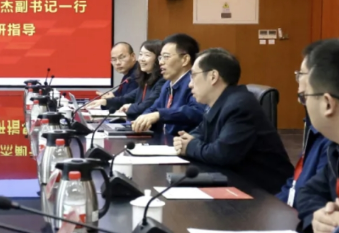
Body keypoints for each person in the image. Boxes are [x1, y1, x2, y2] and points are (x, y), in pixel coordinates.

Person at [173, 48, 293, 194]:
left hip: (265, 194)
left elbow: (222, 154)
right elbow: (200, 132)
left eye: (193, 76)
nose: (189, 84)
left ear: (213, 76)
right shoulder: (219, 102)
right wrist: (186, 141)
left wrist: (190, 146)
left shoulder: (239, 105)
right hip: (235, 181)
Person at [295, 39, 339, 233]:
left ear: (328, 104)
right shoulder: (334, 148)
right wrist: (319, 217)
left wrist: (334, 231)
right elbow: (308, 192)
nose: (303, 103)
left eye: (305, 97)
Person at [277, 41, 331, 207]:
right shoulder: (317, 130)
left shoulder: (330, 139)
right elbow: (300, 186)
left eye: (304, 97)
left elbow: (314, 202)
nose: (298, 80)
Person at [131, 33, 206, 134]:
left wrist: (159, 115)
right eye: (160, 57)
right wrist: (142, 119)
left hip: (183, 140)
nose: (161, 62)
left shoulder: (195, 82)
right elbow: (155, 107)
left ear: (185, 59)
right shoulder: (168, 84)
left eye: (166, 57)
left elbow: (196, 111)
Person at [102, 40, 166, 120]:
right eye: (141, 54)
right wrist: (105, 101)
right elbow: (127, 98)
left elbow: (147, 105)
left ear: (158, 59)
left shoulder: (162, 81)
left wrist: (130, 107)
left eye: (147, 55)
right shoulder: (145, 79)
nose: (141, 59)